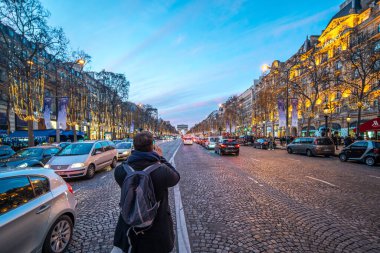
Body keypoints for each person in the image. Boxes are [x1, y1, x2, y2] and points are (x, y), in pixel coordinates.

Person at [112, 131, 180, 253]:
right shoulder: (162, 171)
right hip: (157, 231)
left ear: (134, 147)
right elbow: (176, 176)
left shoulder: (120, 171)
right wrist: (160, 157)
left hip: (129, 230)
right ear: (152, 146)